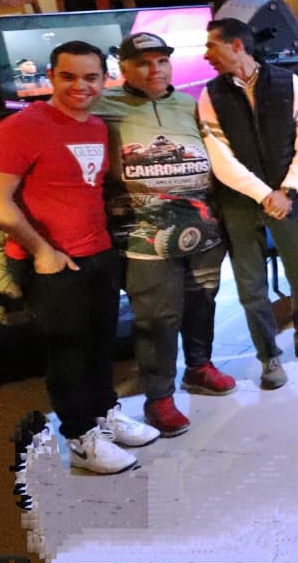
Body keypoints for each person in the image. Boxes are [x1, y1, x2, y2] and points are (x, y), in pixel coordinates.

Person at [0, 40, 159, 474]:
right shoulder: (21, 127)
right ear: (50, 77)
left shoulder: (96, 126)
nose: (80, 86)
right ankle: (81, 437)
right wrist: (43, 250)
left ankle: (104, 414)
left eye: (91, 77)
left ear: (104, 79)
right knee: (68, 352)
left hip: (97, 251)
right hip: (51, 261)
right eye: (68, 76)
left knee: (99, 344)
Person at [92, 32, 235, 438]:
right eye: (143, 62)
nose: (154, 70)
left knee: (202, 301)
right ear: (123, 68)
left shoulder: (189, 104)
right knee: (158, 316)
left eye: (161, 61)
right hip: (142, 235)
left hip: (202, 229)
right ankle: (158, 396)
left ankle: (199, 367)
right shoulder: (103, 107)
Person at [198, 17, 298, 390]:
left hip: (289, 199)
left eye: (212, 45)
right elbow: (219, 156)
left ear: (237, 45)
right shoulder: (210, 94)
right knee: (251, 288)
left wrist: (288, 190)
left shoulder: (287, 82)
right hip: (239, 204)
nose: (206, 55)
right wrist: (264, 194)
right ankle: (268, 357)